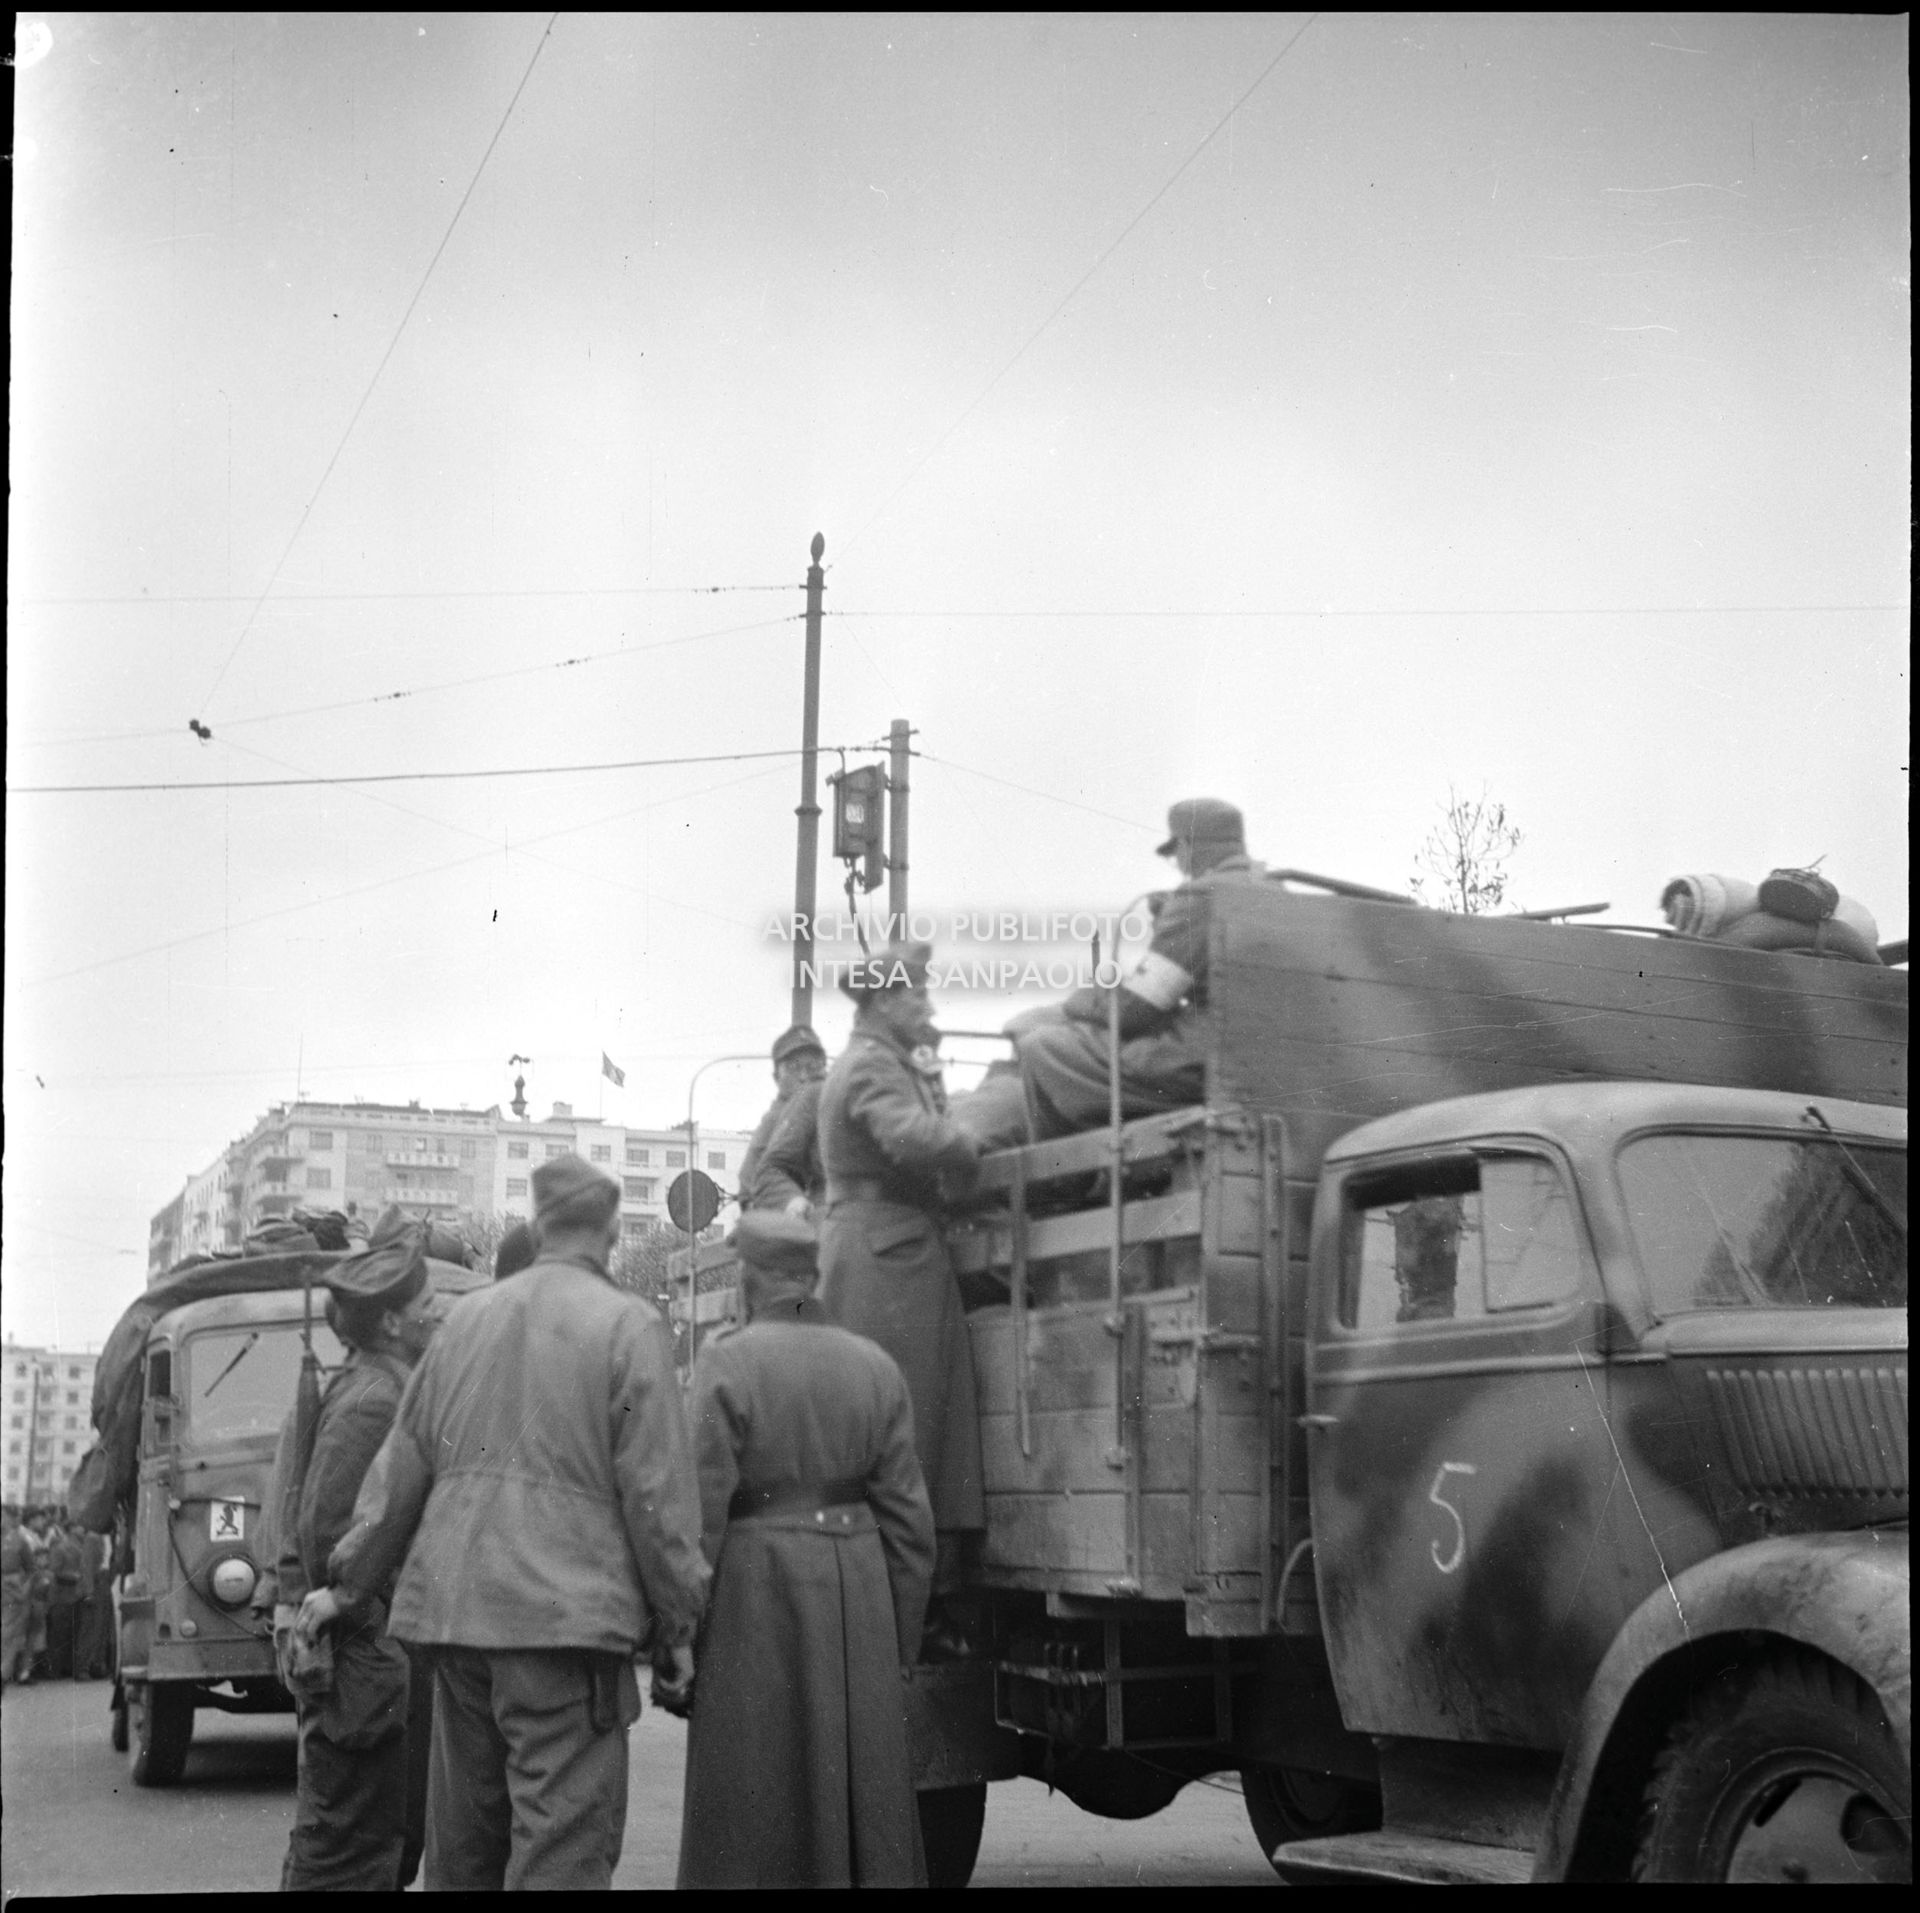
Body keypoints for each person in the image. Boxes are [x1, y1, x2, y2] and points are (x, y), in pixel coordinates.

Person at [306, 1153, 710, 1892]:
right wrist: (679, 1625)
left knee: (463, 1853)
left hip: (455, 1618)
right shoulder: (628, 1325)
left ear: (538, 1222)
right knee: (560, 1847)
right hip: (565, 1624)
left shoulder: (463, 1322)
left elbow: (400, 1471)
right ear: (612, 1230)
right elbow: (655, 1497)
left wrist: (349, 1584)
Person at [678, 1210, 936, 1887]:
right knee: (857, 1797)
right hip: (858, 1590)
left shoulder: (727, 1361)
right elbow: (911, 1525)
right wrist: (897, 1645)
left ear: (747, 1280)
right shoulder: (875, 1364)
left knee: (753, 1801)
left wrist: (681, 1635)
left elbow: (698, 1515)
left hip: (755, 1589)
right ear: (812, 1278)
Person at [816, 940, 984, 1601]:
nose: (929, 1004)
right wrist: (970, 1136)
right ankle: (900, 1591)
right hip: (884, 1256)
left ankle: (916, 1587)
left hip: (893, 1249)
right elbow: (913, 1137)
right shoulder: (869, 1065)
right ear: (885, 999)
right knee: (903, 1425)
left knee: (921, 1424)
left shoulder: (881, 1059)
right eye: (917, 992)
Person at [279, 1219, 442, 1893]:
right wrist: (355, 1596)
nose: (436, 1315)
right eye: (426, 1307)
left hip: (372, 1658)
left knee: (379, 1846)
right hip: (364, 1661)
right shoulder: (376, 1398)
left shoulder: (384, 1384)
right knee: (348, 1853)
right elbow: (325, 1530)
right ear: (394, 1324)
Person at [955, 798, 1265, 1147]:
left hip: (1193, 1062)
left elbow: (1137, 1009)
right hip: (1253, 1062)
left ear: (1186, 845)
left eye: (1173, 852)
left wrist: (1082, 1002)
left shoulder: (1198, 898)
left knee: (1039, 1043)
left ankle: (1062, 1174)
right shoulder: (1275, 892)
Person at [736, 1024, 828, 1211]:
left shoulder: (826, 1109)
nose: (804, 1077)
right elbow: (753, 1188)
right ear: (777, 1076)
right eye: (794, 1068)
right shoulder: (775, 1120)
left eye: (812, 1067)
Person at [1, 1505, 34, 1684]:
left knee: (7, 1634)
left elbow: (31, 1569)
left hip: (10, 1591)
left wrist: (23, 1590)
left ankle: (3, 1674)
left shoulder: (19, 1540)